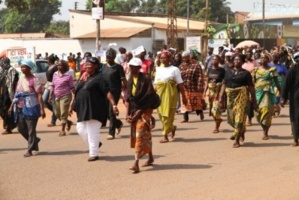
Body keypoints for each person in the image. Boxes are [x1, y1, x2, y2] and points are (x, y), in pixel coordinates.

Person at [69, 57, 119, 161]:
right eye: (86, 64)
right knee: (80, 129)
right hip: (82, 109)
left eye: (89, 64)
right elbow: (76, 92)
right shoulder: (83, 78)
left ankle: (94, 154)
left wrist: (114, 105)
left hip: (95, 108)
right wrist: (71, 105)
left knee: (92, 131)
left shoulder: (100, 78)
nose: (86, 66)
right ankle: (95, 144)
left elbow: (107, 92)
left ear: (96, 66)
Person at [125, 57, 160, 173]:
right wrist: (128, 114)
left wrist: (139, 112)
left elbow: (148, 98)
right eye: (131, 66)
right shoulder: (130, 79)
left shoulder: (146, 79)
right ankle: (150, 157)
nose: (132, 68)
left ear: (139, 68)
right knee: (143, 134)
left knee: (140, 134)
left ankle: (136, 163)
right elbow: (129, 98)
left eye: (135, 67)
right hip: (135, 109)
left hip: (146, 108)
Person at [8, 59, 46, 157]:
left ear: (30, 68)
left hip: (31, 106)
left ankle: (29, 149)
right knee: (20, 128)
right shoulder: (21, 78)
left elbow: (39, 95)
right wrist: (11, 106)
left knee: (31, 129)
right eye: (22, 67)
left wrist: (42, 109)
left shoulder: (35, 80)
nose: (22, 68)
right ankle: (35, 140)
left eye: (25, 67)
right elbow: (17, 93)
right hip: (20, 106)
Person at [219, 54, 257, 148]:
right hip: (230, 96)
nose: (237, 61)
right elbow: (224, 84)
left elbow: (251, 87)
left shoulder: (246, 73)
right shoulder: (228, 72)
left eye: (239, 60)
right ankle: (241, 130)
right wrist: (220, 96)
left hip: (242, 96)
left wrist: (254, 100)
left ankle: (236, 138)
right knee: (231, 117)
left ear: (242, 62)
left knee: (239, 116)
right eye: (235, 59)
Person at [154, 50, 187, 143]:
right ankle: (172, 128)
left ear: (169, 59)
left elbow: (180, 84)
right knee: (161, 115)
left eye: (164, 57)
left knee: (168, 115)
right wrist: (151, 96)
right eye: (161, 58)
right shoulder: (158, 69)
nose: (162, 59)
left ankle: (164, 135)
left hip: (171, 95)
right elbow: (156, 84)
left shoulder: (175, 69)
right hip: (160, 95)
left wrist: (184, 97)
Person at [253, 52, 282, 140]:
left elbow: (276, 82)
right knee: (257, 113)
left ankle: (265, 132)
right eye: (261, 58)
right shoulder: (256, 70)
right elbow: (253, 82)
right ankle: (263, 127)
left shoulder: (272, 70)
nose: (263, 59)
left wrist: (282, 94)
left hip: (268, 93)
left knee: (266, 110)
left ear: (268, 60)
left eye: (265, 58)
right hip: (258, 93)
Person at [102, 48, 127, 139]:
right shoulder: (103, 67)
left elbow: (123, 80)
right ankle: (118, 123)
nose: (108, 59)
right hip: (104, 91)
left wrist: (127, 89)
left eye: (110, 57)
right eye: (107, 57)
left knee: (111, 112)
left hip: (115, 91)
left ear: (114, 57)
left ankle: (111, 133)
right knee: (105, 113)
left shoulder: (118, 67)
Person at [49, 60, 75, 136]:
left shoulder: (68, 76)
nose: (59, 67)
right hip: (56, 96)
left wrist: (73, 98)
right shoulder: (55, 74)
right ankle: (68, 122)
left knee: (63, 112)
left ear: (65, 67)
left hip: (65, 96)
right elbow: (53, 85)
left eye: (61, 65)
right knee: (57, 114)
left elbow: (72, 87)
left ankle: (62, 130)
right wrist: (50, 95)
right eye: (58, 65)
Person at [179, 50, 204, 123]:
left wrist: (200, 86)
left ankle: (200, 111)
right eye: (183, 58)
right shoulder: (181, 66)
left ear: (189, 57)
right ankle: (185, 118)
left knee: (196, 102)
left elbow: (200, 76)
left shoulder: (196, 65)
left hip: (194, 87)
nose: (184, 59)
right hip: (184, 88)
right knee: (184, 102)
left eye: (185, 58)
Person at [204, 55, 226, 133]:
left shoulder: (222, 70)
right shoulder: (209, 70)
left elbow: (224, 82)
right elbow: (207, 81)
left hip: (218, 93)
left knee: (216, 109)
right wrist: (204, 92)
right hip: (211, 93)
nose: (214, 61)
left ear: (219, 61)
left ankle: (216, 127)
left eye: (216, 59)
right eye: (213, 59)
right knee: (212, 111)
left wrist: (221, 94)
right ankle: (218, 120)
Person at [282, 52, 299, 146]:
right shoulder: (293, 70)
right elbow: (286, 84)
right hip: (295, 99)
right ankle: (296, 139)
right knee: (295, 117)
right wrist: (283, 97)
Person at [0, 58, 18, 135]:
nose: (0, 65)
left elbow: (14, 83)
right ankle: (9, 125)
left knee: (7, 109)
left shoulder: (12, 71)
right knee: (2, 110)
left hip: (9, 93)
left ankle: (8, 127)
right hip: (3, 93)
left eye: (1, 63)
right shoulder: (3, 71)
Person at [242, 49, 259, 126]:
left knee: (251, 101)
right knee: (244, 101)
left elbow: (258, 72)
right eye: (247, 52)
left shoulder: (255, 63)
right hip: (243, 84)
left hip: (252, 84)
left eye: (250, 52)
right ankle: (243, 118)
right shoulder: (243, 63)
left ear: (252, 54)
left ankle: (249, 119)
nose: (248, 53)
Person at [43, 54, 58, 127]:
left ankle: (53, 120)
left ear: (50, 60)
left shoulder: (56, 67)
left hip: (54, 85)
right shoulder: (48, 67)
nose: (47, 60)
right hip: (48, 84)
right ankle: (57, 113)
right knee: (44, 100)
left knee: (54, 102)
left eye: (48, 59)